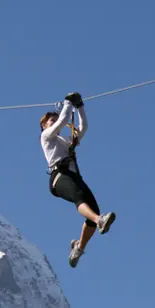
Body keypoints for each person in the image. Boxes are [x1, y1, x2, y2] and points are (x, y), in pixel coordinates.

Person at [40, 91, 115, 267]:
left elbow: (84, 127)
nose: (54, 121)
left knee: (93, 208)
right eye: (50, 120)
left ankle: (78, 247)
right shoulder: (46, 137)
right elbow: (63, 121)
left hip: (73, 176)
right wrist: (68, 103)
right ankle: (99, 221)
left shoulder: (66, 141)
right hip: (59, 177)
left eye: (54, 119)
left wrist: (80, 107)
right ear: (44, 125)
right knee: (79, 198)